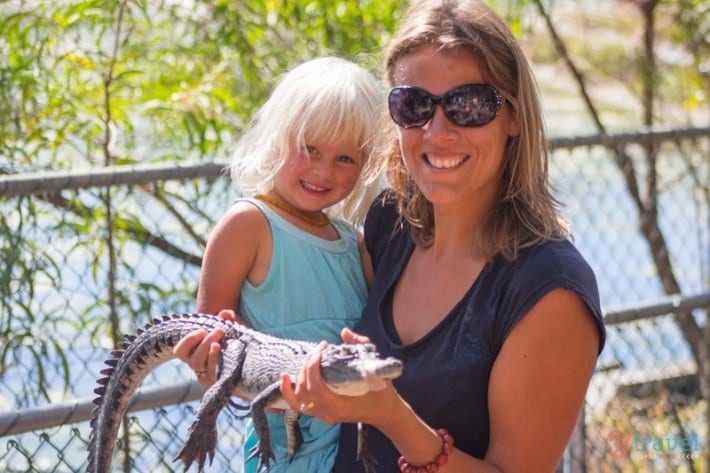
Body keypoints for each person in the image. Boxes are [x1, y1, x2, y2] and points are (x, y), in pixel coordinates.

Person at [278, 1, 607, 472]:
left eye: (468, 105)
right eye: (413, 104)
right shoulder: (389, 224)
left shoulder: (549, 287)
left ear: (513, 116)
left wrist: (391, 416)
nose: (437, 130)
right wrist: (233, 352)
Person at [173, 56, 383, 472]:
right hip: (285, 446)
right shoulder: (248, 224)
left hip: (354, 442)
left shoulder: (353, 242)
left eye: (345, 159)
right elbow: (209, 351)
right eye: (310, 149)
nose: (323, 171)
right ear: (278, 139)